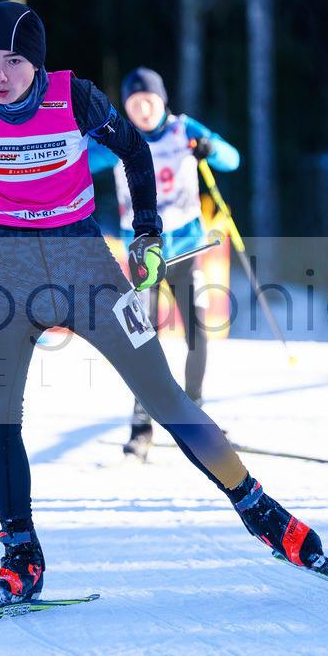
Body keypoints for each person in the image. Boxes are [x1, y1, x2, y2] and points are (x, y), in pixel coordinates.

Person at [0, 1, 324, 605]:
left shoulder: (75, 98)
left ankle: (261, 512)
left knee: (163, 394)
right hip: (10, 271)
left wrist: (148, 233)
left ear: (38, 63)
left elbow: (136, 150)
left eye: (14, 61)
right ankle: (21, 552)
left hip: (85, 266)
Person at [87, 67, 240, 460]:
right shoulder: (120, 137)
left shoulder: (183, 129)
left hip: (187, 252)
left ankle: (195, 415)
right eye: (134, 105)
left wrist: (209, 148)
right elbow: (80, 163)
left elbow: (232, 159)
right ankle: (142, 425)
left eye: (149, 103)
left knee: (198, 333)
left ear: (162, 101)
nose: (142, 111)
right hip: (142, 259)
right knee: (142, 340)